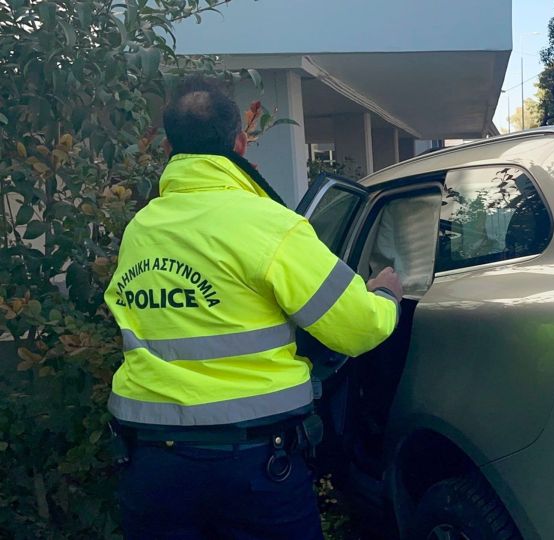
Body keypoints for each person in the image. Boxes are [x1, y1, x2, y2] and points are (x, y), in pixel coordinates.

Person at [104, 75, 403, 539]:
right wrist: (385, 296)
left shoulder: (142, 228)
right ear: (240, 143)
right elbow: (357, 327)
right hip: (253, 465)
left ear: (168, 148)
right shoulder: (270, 225)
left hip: (152, 468)